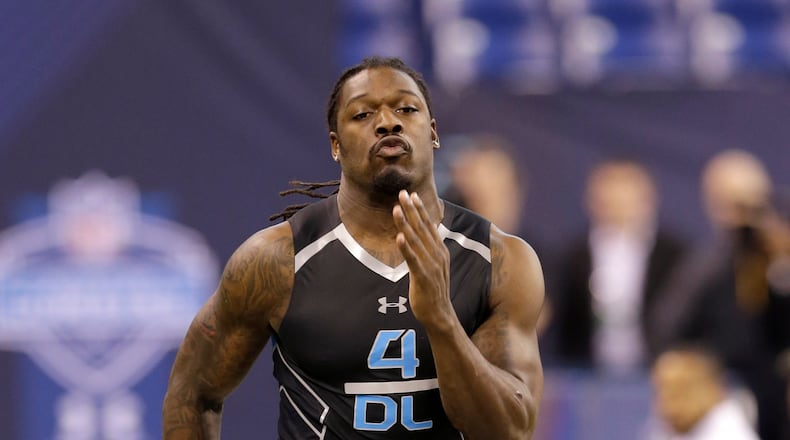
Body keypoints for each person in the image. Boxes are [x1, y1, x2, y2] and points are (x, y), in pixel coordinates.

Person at [162, 56, 545, 439]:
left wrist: (442, 320)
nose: (387, 122)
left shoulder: (499, 260)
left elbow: (511, 431)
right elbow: (191, 396)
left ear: (433, 133)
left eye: (406, 109)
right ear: (336, 145)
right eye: (362, 115)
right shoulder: (276, 260)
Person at [651, 149, 790, 440]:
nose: (745, 220)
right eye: (732, 206)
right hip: (721, 396)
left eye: (755, 207)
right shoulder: (706, 268)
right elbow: (668, 326)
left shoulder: (779, 264)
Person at [550, 159, 685, 374]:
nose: (618, 206)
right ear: (593, 201)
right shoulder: (574, 257)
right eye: (610, 197)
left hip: (656, 373)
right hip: (588, 375)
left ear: (647, 200)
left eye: (626, 197)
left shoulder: (676, 256)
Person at [646, 346, 759, 440]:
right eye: (661, 391)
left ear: (710, 389)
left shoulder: (730, 433)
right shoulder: (664, 428)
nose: (666, 405)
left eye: (680, 393)